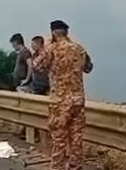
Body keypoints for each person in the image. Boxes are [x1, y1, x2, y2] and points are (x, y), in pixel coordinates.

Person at [34, 20, 92, 170]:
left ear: (53, 32)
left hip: (60, 101)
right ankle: (75, 166)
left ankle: (58, 167)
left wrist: (46, 45)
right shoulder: (79, 49)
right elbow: (88, 67)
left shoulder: (51, 49)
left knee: (59, 138)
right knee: (77, 136)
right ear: (67, 32)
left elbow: (37, 66)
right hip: (78, 100)